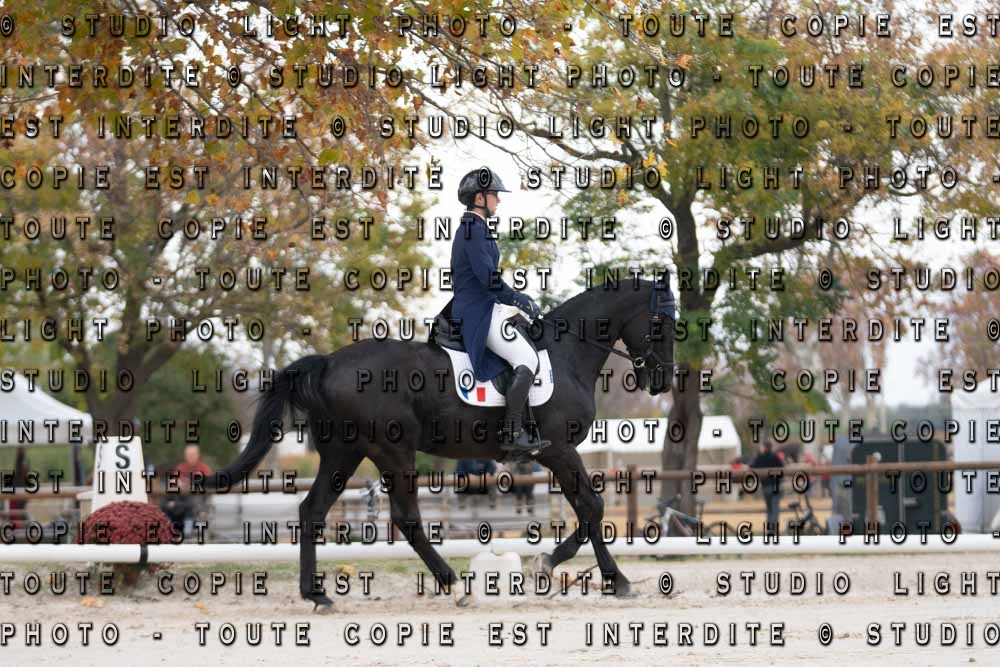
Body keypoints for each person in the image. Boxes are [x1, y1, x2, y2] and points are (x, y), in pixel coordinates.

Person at [450, 166, 546, 454]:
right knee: (527, 358)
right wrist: (516, 298)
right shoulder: (473, 229)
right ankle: (512, 433)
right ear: (480, 198)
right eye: (494, 195)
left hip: (483, 306)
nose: (499, 200)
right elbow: (486, 277)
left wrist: (514, 304)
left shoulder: (475, 228)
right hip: (477, 311)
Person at [161, 445, 213, 536]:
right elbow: (173, 481)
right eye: (188, 454)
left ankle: (189, 529)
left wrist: (188, 483)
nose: (191, 457)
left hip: (198, 501)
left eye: (193, 454)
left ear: (198, 455)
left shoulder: (204, 468)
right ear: (185, 456)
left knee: (194, 501)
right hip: (182, 500)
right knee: (167, 504)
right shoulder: (181, 467)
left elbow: (207, 482)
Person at [750, 440, 784, 528]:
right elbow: (782, 466)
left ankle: (770, 528)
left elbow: (751, 466)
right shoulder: (775, 457)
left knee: (769, 509)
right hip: (775, 485)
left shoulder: (760, 457)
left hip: (765, 486)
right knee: (775, 508)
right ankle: (773, 527)